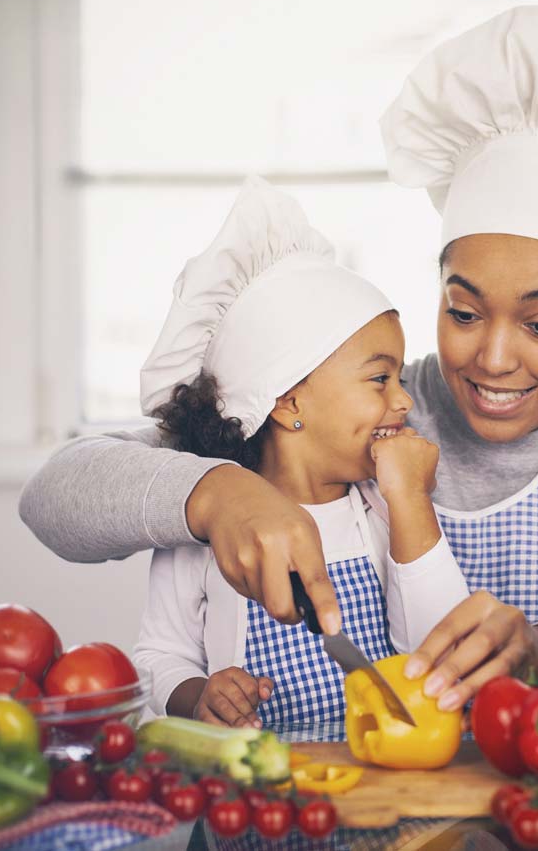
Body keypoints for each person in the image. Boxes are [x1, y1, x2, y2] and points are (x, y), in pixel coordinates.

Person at [20, 4, 538, 714]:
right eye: (463, 312)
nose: (495, 358)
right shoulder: (360, 418)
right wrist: (218, 493)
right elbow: (56, 496)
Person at [131, 177, 469, 726]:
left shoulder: (380, 508)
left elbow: (438, 654)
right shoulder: (208, 524)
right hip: (257, 790)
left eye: (400, 377)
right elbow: (159, 655)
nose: (404, 399)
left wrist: (410, 498)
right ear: (288, 403)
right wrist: (200, 696)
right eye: (379, 378)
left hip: (379, 778)